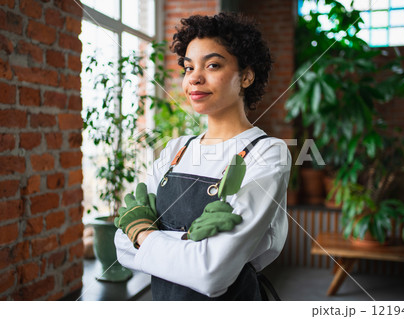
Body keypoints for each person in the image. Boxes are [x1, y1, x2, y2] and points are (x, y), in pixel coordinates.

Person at [114, 12, 291, 301]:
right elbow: (121, 245)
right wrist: (190, 245)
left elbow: (210, 274)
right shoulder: (176, 149)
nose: (194, 78)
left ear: (246, 76)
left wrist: (143, 233)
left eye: (212, 65)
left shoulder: (268, 152)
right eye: (187, 67)